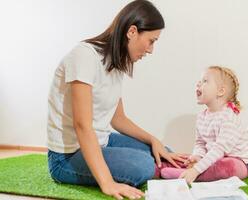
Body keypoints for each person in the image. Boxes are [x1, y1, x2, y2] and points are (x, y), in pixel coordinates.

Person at [47, 1, 185, 199]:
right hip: (67, 157)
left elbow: (118, 119)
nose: (151, 50)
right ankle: (157, 171)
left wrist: (154, 140)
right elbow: (82, 126)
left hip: (102, 141)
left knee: (163, 152)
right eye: (151, 41)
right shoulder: (84, 56)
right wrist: (108, 183)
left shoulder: (116, 63)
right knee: (144, 165)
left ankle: (163, 168)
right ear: (132, 31)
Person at [161, 66, 248, 184]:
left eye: (205, 81)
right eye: (200, 81)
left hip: (238, 162)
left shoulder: (229, 117)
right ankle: (164, 167)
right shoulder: (202, 116)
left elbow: (220, 149)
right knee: (185, 158)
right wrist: (197, 157)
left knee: (227, 166)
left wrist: (196, 170)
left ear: (221, 91)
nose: (199, 84)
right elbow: (200, 143)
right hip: (213, 157)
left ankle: (189, 175)